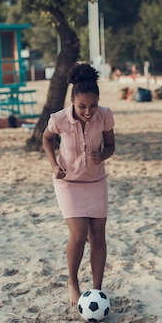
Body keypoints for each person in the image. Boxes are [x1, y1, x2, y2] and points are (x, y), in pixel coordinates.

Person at [42, 63, 115, 308]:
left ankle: (96, 290)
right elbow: (46, 138)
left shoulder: (105, 115)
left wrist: (102, 156)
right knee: (79, 233)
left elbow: (111, 145)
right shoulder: (59, 119)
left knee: (98, 236)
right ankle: (73, 282)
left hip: (96, 181)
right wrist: (54, 165)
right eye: (82, 106)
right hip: (68, 183)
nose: (88, 111)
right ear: (72, 100)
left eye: (93, 105)